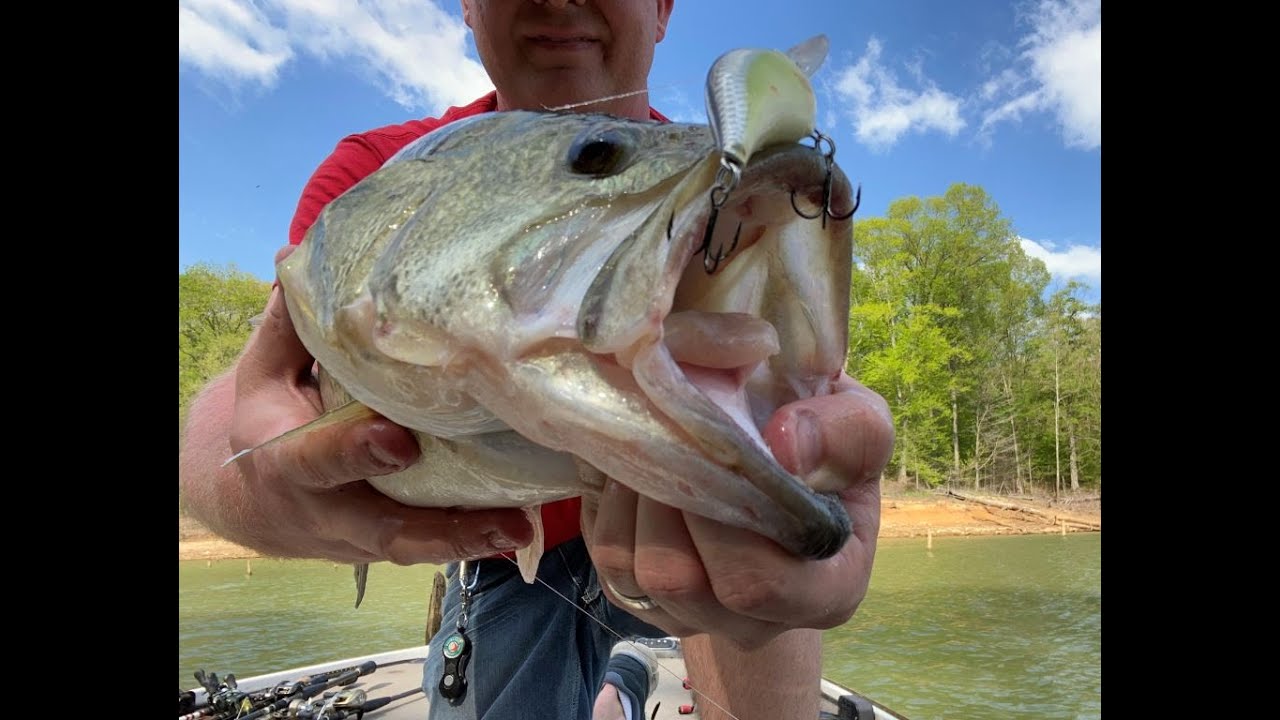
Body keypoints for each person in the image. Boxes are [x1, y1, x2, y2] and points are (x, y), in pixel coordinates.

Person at [177, 1, 896, 718]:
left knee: (757, 584)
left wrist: (807, 454)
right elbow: (228, 426)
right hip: (506, 563)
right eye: (594, 161)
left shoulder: (724, 192)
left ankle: (623, 679)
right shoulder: (376, 172)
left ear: (664, 9)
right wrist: (264, 482)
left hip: (681, 507)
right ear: (467, 7)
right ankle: (623, 685)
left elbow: (772, 382)